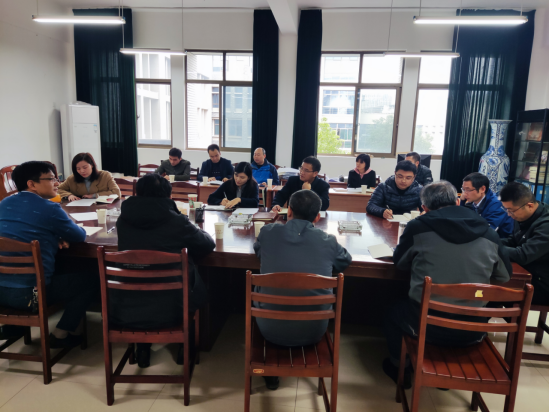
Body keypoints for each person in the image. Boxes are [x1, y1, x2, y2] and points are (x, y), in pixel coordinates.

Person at [384, 181, 512, 389]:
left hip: (425, 325)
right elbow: (504, 276)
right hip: (473, 327)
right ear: (458, 201)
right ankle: (445, 374)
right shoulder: (488, 232)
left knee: (392, 309)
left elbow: (400, 263)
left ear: (424, 208)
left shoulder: (418, 227)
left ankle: (400, 368)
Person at [114, 173, 215, 368]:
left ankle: (142, 347)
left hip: (129, 300)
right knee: (195, 275)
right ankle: (186, 346)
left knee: (144, 278)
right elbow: (207, 245)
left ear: (137, 193)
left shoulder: (123, 219)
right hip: (173, 302)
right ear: (169, 196)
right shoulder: (176, 221)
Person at [254, 190, 352, 390]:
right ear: (317, 217)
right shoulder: (328, 241)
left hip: (269, 328)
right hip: (314, 330)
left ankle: (269, 368)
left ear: (288, 211)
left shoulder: (268, 232)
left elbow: (259, 252)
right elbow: (345, 261)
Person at [0, 161, 99, 348]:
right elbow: (79, 235)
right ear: (32, 184)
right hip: (31, 296)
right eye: (52, 179)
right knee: (91, 279)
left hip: (1, 291)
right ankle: (62, 333)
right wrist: (58, 235)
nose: (57, 183)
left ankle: (13, 327)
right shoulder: (49, 208)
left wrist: (52, 237)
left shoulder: (4, 203)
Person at [500, 182, 549, 306]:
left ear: (529, 205)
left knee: (494, 290)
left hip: (542, 283)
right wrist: (489, 241)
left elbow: (523, 255)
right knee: (488, 281)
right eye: (506, 210)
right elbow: (513, 240)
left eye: (511, 211)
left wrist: (493, 248)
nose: (509, 214)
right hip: (526, 273)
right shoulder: (523, 216)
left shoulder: (546, 225)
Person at [460, 172, 514, 238]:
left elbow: (487, 232)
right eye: (463, 189)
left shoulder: (497, 205)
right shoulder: (473, 202)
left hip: (500, 240)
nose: (464, 194)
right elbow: (462, 220)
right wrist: (462, 202)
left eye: (468, 190)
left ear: (482, 189)